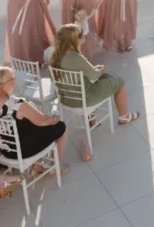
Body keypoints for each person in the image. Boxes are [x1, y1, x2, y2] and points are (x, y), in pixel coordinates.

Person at [49, 24, 140, 160]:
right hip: (83, 99)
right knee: (119, 82)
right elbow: (93, 76)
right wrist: (99, 70)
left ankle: (91, 118)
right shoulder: (76, 58)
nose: (83, 36)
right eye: (80, 35)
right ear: (72, 40)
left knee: (99, 79)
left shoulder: (55, 57)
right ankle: (123, 116)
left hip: (65, 98)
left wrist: (94, 70)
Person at [0, 66, 70, 174]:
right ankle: (56, 167)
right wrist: (55, 119)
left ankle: (37, 166)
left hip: (3, 149)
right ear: (0, 86)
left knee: (27, 125)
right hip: (22, 151)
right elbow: (42, 121)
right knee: (61, 127)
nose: (15, 81)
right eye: (11, 79)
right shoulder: (15, 103)